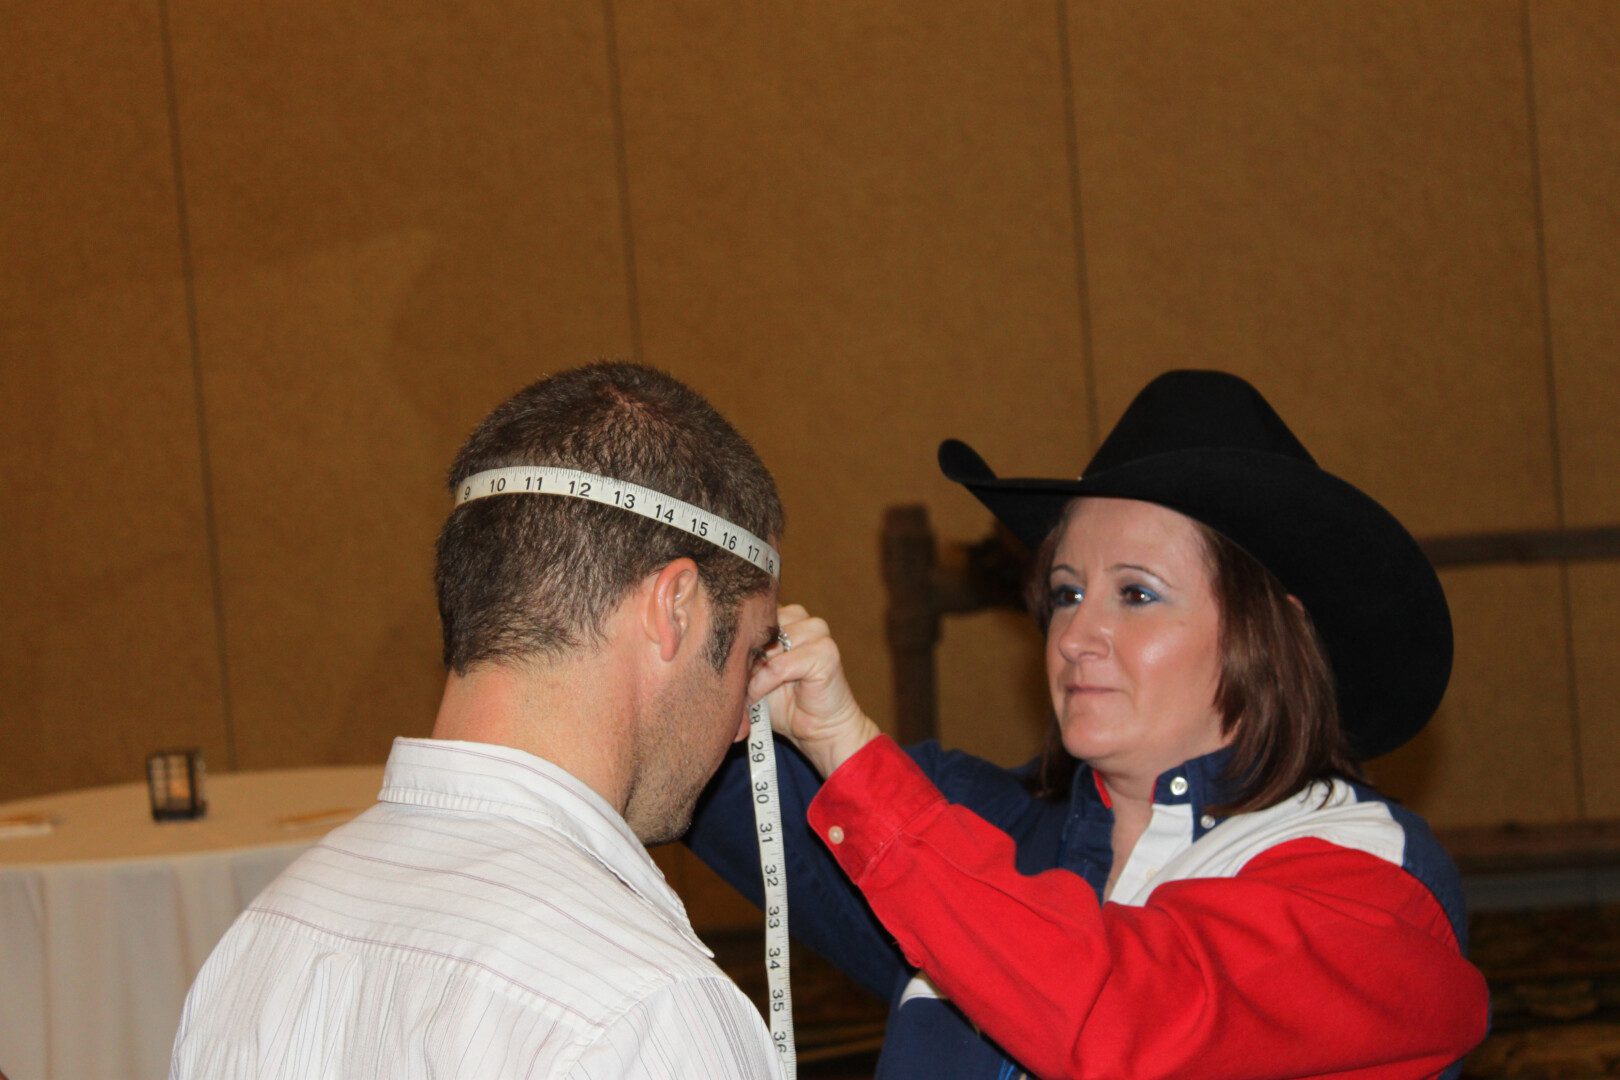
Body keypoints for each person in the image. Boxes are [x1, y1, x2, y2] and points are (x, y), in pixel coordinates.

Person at [689, 369, 1490, 1078]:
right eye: (1067, 592)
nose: (1072, 636)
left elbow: (1119, 1021)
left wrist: (852, 757)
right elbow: (671, 753)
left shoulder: (1372, 883)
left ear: (1268, 634)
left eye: (1136, 595)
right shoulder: (986, 831)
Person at [171, 362, 788, 1079]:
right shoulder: (644, 1012)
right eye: (751, 652)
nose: (747, 725)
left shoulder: (261, 943)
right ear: (673, 608)